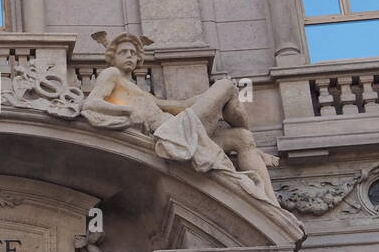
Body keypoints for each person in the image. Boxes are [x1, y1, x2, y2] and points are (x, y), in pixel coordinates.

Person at [81, 31, 278, 203]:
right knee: (225, 85)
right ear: (112, 56)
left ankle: (273, 206)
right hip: (173, 133)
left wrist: (208, 99)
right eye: (124, 52)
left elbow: (180, 106)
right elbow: (91, 103)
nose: (130, 56)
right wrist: (127, 111)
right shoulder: (111, 74)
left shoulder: (142, 93)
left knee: (243, 138)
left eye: (133, 53)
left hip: (179, 127)